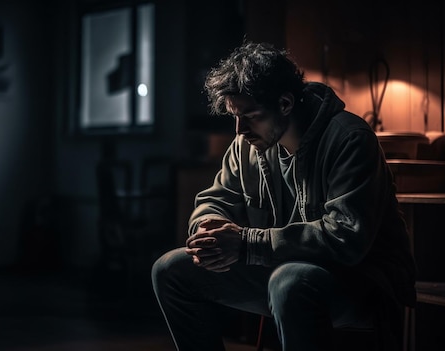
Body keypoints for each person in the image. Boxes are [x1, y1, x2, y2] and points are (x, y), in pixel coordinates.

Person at [151, 41, 416, 351]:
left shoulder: (349, 138)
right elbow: (215, 200)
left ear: (285, 103)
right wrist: (208, 230)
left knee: (289, 281)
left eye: (250, 116)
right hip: (281, 271)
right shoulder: (248, 144)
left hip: (362, 282)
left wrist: (248, 243)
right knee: (170, 270)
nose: (240, 130)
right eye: (234, 116)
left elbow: (346, 239)